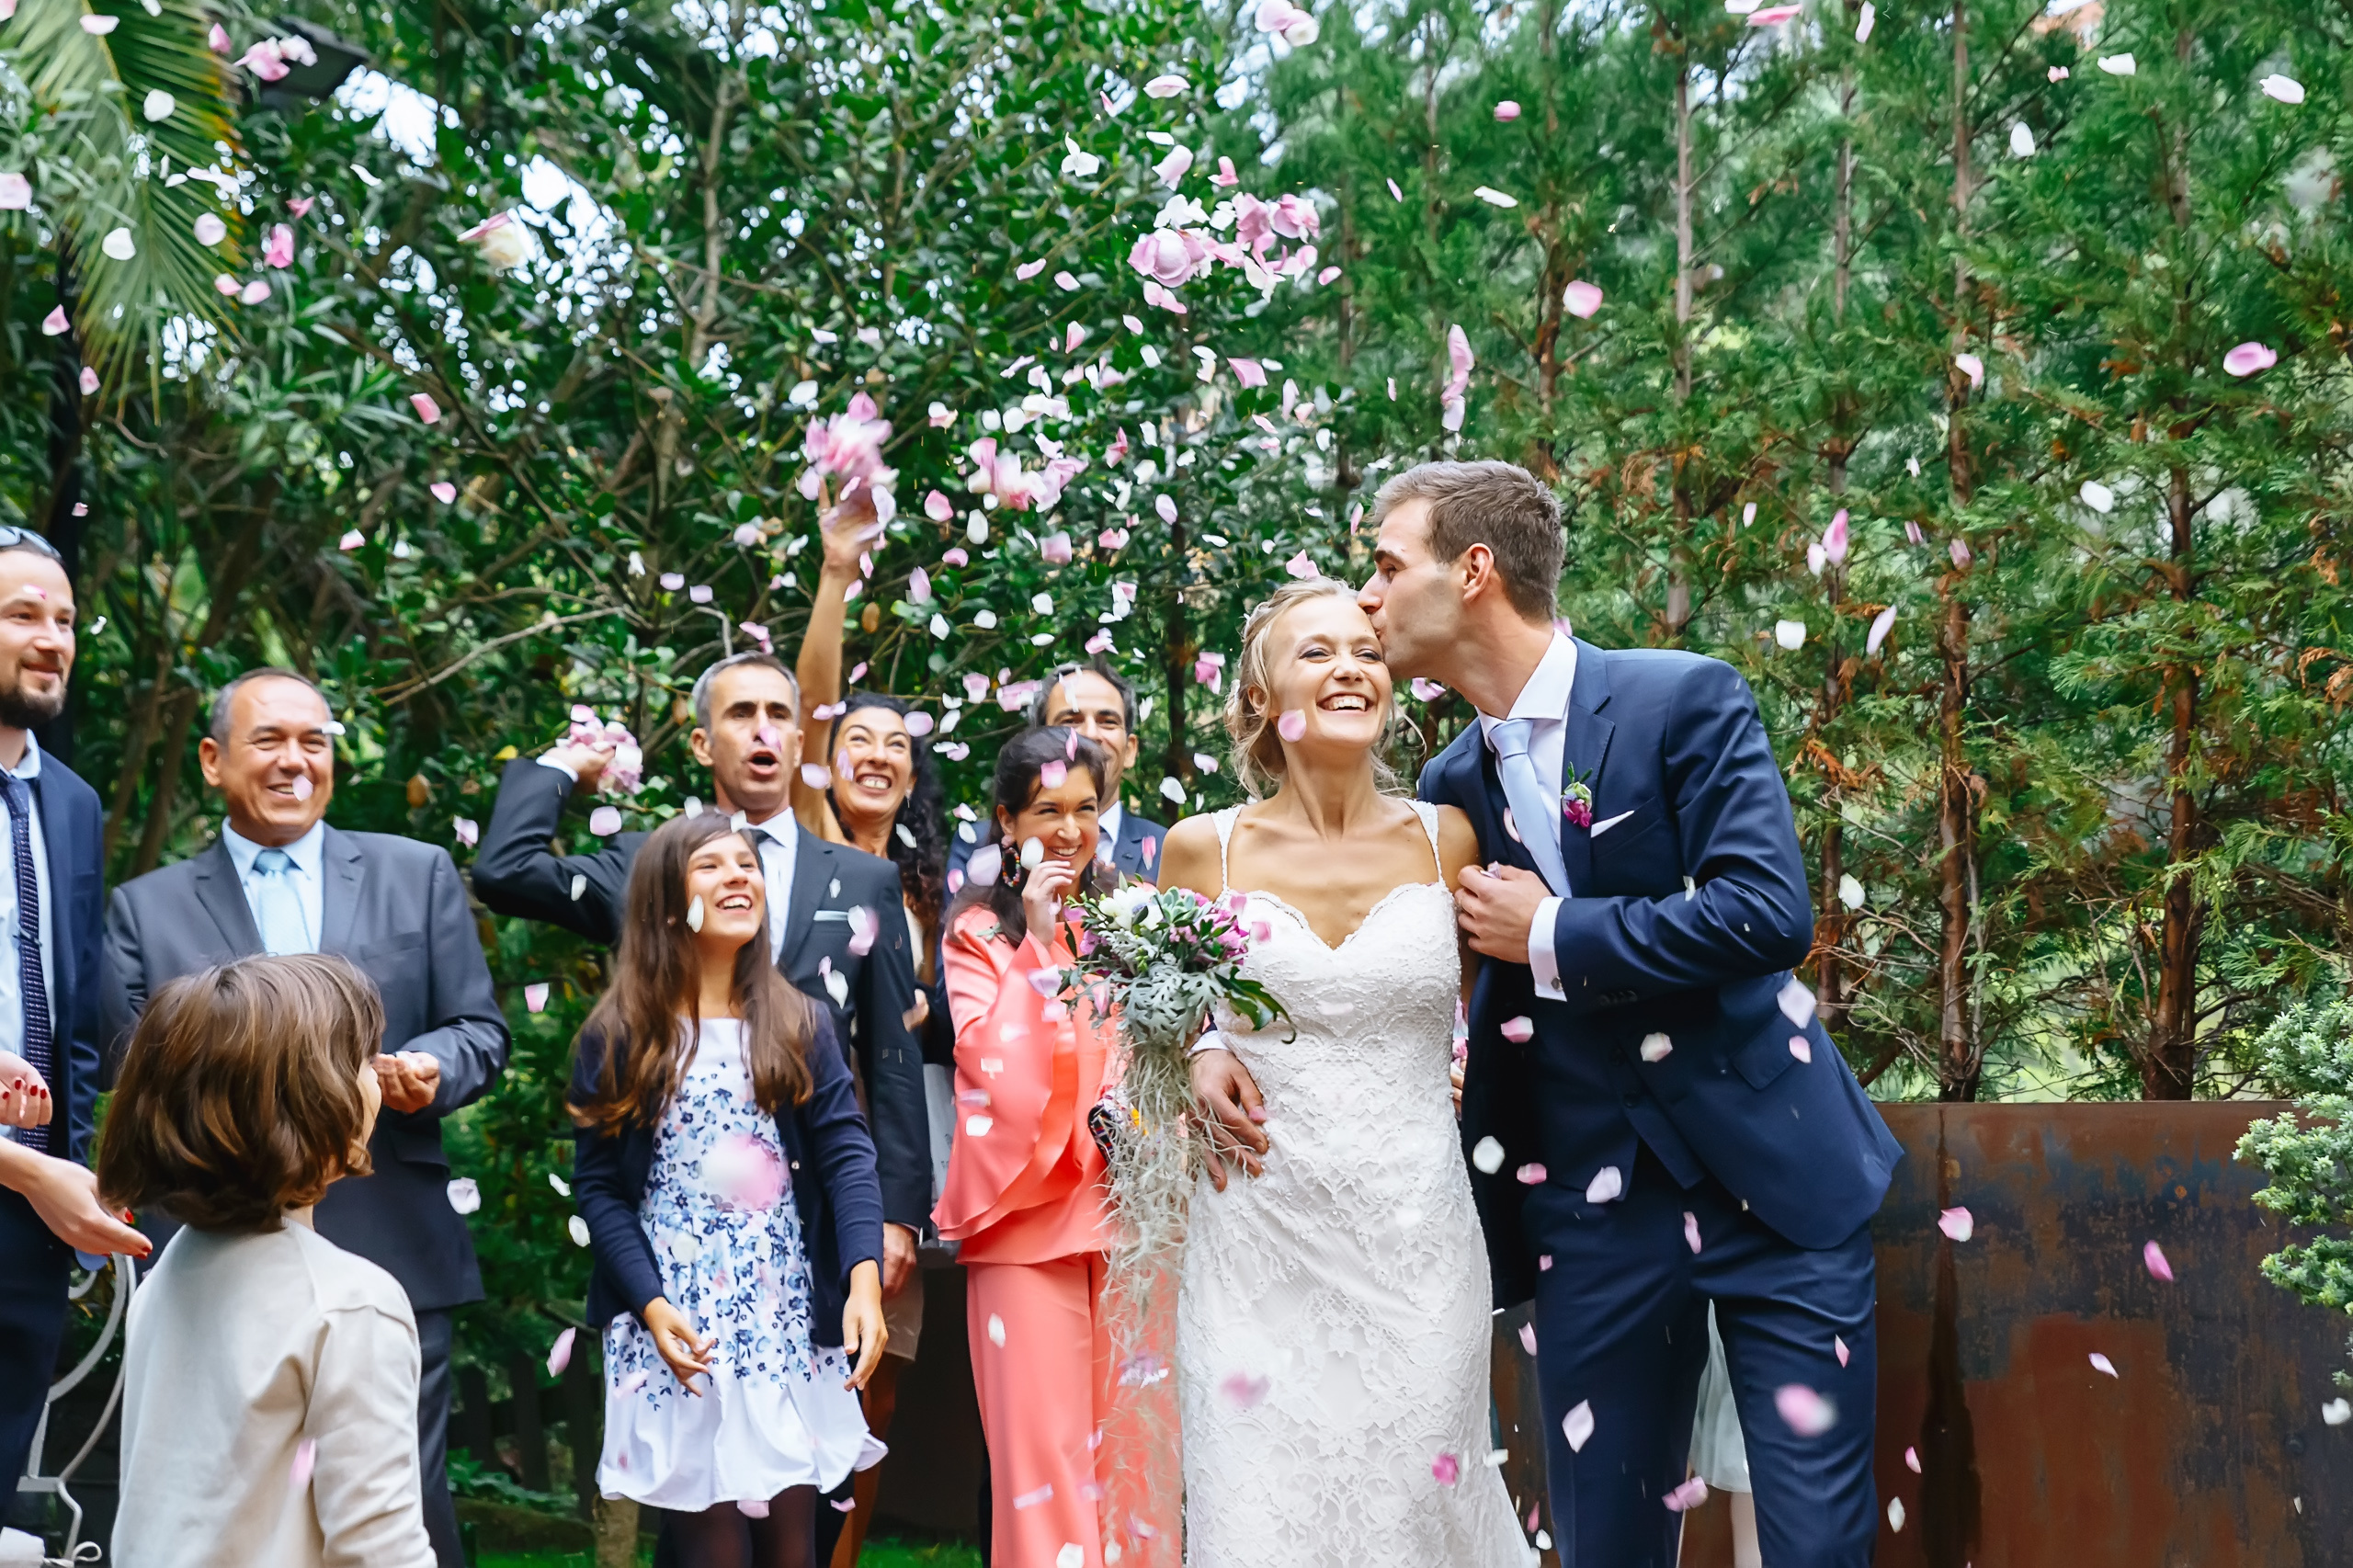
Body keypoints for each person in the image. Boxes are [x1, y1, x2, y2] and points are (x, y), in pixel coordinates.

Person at [1270, 459, 1899, 1564]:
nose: (1366, 596)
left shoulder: (1681, 698)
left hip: (1777, 1183)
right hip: (1591, 1218)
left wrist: (1556, 930)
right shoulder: (1451, 788)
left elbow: (1767, 912)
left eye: (1385, 565)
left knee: (1814, 1545)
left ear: (1472, 570)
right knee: (1605, 1545)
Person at [102, 668, 511, 1567]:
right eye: (269, 740)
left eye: (314, 741)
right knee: (214, 1492)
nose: (295, 760)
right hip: (216, 1247)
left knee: (398, 1496)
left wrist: (432, 1065)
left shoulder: (416, 871)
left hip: (392, 1236)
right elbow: (138, 1072)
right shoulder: (146, 908)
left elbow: (480, 1029)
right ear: (212, 760)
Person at [1160, 577, 1529, 1567]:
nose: (1350, 668)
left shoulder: (1446, 837)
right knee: (1260, 1516)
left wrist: (1477, 1069)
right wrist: (1200, 1051)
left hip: (1417, 1243)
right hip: (1256, 1238)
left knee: (1415, 1508)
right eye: (1316, 651)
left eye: (1365, 651)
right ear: (1258, 696)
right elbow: (1166, 1021)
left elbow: (1498, 1011)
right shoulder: (1200, 853)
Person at [472, 653, 929, 1312]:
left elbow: (892, 1054)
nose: (763, 729)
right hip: (667, 1236)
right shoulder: (644, 866)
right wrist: (566, 765)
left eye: (779, 714)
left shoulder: (864, 879)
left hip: (824, 1218)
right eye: (741, 714)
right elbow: (505, 872)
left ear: (800, 741)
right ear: (701, 743)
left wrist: (899, 1214)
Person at [570, 813, 888, 1568]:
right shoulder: (621, 1036)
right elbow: (600, 1189)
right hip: (679, 1323)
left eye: (746, 864)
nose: (738, 876)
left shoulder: (800, 1022)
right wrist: (650, 1306)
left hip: (782, 1320)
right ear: (664, 902)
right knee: (713, 1550)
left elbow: (847, 1156)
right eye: (710, 866)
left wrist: (863, 1279)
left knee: (792, 1549)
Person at [101, 952, 437, 1568]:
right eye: (364, 1059)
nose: (380, 1072)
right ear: (317, 1101)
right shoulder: (351, 1306)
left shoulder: (167, 1278)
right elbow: (380, 1551)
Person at [935, 728, 1171, 1568]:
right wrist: (1037, 942)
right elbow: (987, 1069)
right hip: (1025, 1224)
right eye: (1046, 812)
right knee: (1044, 1472)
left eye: (1085, 809)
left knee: (1139, 1462)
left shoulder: (1133, 917)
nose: (1070, 831)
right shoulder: (976, 933)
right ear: (1007, 822)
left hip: (1129, 1219)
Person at [0, 528, 146, 1513]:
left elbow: (79, 1022)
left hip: (34, 1218)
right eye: (23, 615)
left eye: (66, 620)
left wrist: (75, 1173)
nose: (53, 639)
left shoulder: (75, 803)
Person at [792, 690, 949, 1563]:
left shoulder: (932, 890)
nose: (879, 755)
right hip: (805, 1139)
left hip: (894, 1149)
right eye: (858, 738)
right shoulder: (803, 853)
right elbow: (812, 695)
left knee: (873, 1396)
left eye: (897, 743)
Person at [946, 660, 1169, 888]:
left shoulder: (1169, 848)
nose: (1090, 734)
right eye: (1070, 721)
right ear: (1039, 741)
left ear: (1130, 750)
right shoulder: (978, 846)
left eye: (1108, 722)